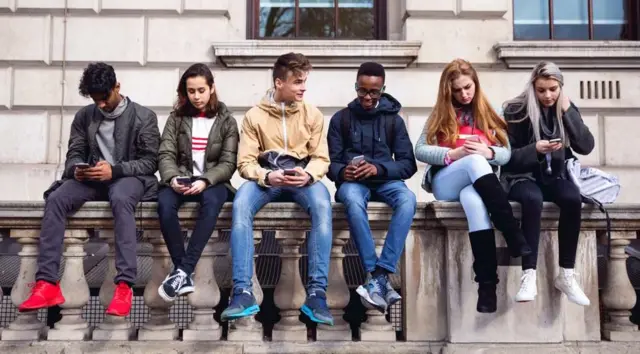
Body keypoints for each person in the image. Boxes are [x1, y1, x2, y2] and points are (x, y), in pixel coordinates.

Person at [18, 62, 160, 316]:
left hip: (126, 179)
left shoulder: (144, 116)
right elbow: (74, 153)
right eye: (96, 100)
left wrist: (114, 171)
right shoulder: (85, 116)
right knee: (58, 198)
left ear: (117, 87)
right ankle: (47, 283)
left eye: (105, 98)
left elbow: (150, 162)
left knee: (120, 197)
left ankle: (125, 285)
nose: (101, 105)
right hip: (91, 180)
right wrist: (77, 170)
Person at [220, 53, 334, 325]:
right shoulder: (254, 116)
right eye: (297, 82)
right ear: (279, 82)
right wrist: (267, 176)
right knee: (241, 205)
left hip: (302, 180)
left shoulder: (313, 114)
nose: (303, 87)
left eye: (305, 81)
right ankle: (242, 292)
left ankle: (317, 294)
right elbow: (245, 162)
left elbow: (321, 158)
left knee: (322, 205)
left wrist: (306, 174)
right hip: (266, 180)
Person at [414, 58, 531, 313]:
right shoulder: (441, 113)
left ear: (476, 84)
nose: (464, 94)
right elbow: (420, 149)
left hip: (475, 184)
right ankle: (512, 233)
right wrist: (453, 154)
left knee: (474, 201)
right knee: (474, 162)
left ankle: (487, 286)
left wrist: (488, 151)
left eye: (468, 87)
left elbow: (506, 154)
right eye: (457, 90)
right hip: (446, 181)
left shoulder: (489, 113)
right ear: (448, 90)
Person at [502, 61, 595, 306]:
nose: (547, 95)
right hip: (521, 177)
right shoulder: (515, 110)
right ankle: (529, 274)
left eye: (553, 89)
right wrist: (535, 149)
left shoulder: (565, 109)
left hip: (555, 176)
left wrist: (568, 111)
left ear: (560, 88)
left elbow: (586, 146)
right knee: (532, 200)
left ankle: (566, 274)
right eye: (541, 90)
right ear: (533, 87)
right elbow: (506, 157)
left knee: (573, 199)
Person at [327, 62, 417, 313]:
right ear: (356, 87)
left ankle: (380, 273)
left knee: (408, 200)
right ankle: (374, 274)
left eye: (373, 92)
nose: (367, 97)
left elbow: (408, 165)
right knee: (353, 203)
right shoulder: (340, 119)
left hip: (387, 181)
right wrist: (343, 171)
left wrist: (379, 169)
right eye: (362, 91)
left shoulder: (394, 121)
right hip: (353, 183)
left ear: (382, 90)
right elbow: (329, 164)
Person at [156, 63, 239, 302]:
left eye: (201, 90)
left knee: (212, 203)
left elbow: (228, 162)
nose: (196, 96)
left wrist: (205, 180)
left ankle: (183, 270)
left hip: (213, 183)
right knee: (163, 203)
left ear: (211, 88)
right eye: (191, 91)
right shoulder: (176, 119)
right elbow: (166, 154)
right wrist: (172, 179)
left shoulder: (226, 121)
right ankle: (183, 270)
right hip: (181, 179)